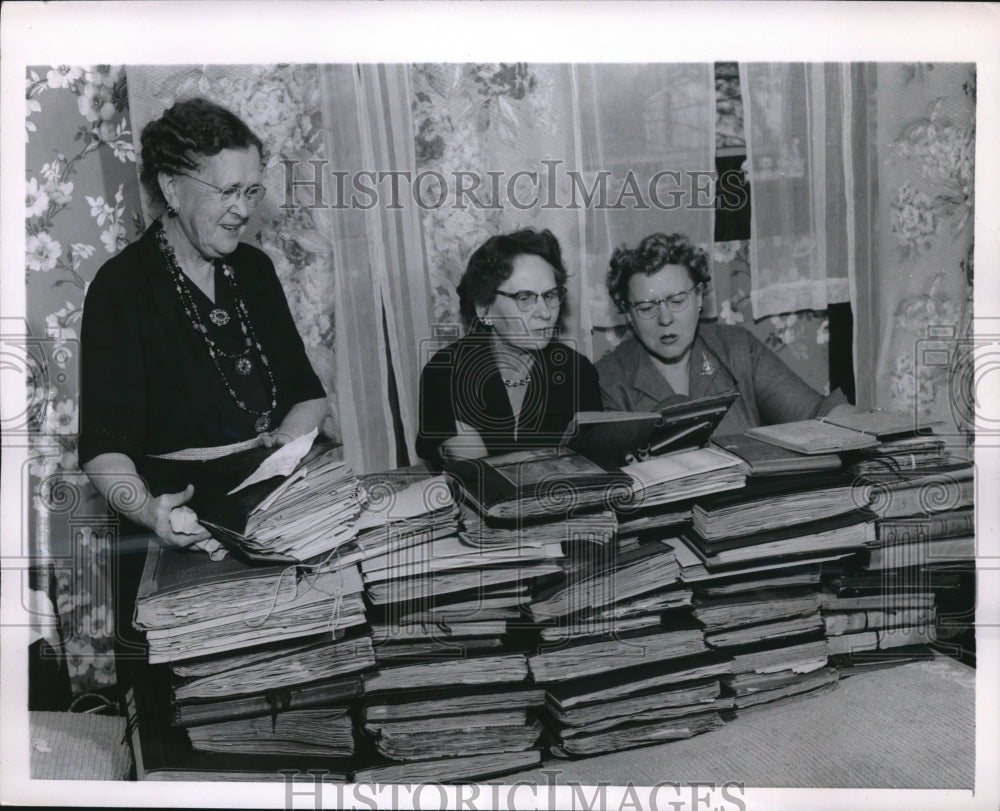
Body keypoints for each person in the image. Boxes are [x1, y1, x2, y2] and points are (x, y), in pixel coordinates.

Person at [78, 98, 327, 677]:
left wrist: (280, 451)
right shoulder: (122, 288)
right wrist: (151, 513)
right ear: (171, 186)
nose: (243, 211)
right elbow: (102, 449)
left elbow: (308, 395)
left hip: (268, 513)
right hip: (173, 530)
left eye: (252, 192)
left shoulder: (256, 272)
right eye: (227, 192)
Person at [596, 232, 853, 435]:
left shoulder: (737, 348)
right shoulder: (608, 379)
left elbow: (815, 412)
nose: (665, 319)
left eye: (677, 301)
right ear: (628, 314)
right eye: (646, 307)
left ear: (699, 297)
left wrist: (873, 429)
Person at [416, 228, 602, 466]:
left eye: (550, 295)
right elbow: (469, 478)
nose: (545, 312)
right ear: (484, 308)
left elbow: (594, 466)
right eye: (524, 298)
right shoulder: (444, 372)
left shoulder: (578, 371)